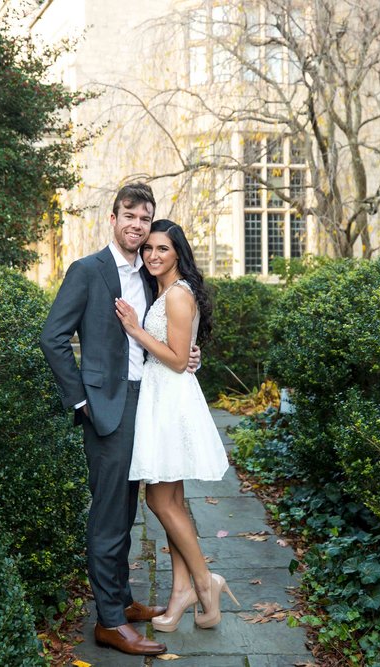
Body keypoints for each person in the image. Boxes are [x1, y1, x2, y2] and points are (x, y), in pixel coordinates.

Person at [39, 183, 199, 656]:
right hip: (107, 407)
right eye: (129, 215)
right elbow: (53, 338)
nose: (137, 225)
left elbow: (168, 330)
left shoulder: (150, 272)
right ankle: (109, 623)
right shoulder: (87, 270)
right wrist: (81, 402)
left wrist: (190, 355)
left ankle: (122, 600)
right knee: (110, 515)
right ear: (113, 218)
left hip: (147, 401)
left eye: (145, 218)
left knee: (127, 510)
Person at [114, 219, 238, 634]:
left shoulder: (178, 295)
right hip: (162, 395)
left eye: (162, 249)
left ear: (178, 254)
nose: (152, 255)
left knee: (160, 502)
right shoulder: (166, 291)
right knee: (173, 503)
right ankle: (182, 591)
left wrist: (135, 329)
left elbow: (176, 357)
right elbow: (184, 353)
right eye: (148, 248)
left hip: (170, 400)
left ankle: (205, 582)